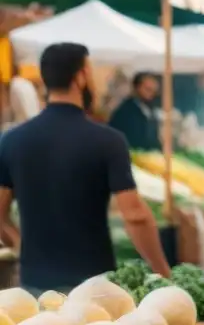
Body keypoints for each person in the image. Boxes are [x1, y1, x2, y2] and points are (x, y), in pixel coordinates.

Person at [0, 43, 170, 294]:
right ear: (80, 78)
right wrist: (163, 272)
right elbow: (134, 215)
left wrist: (22, 245)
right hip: (94, 287)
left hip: (35, 286)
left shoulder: (12, 140)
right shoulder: (108, 141)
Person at [108, 71, 161, 151]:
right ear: (137, 88)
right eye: (148, 89)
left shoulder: (151, 110)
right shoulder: (125, 111)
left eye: (153, 90)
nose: (151, 93)